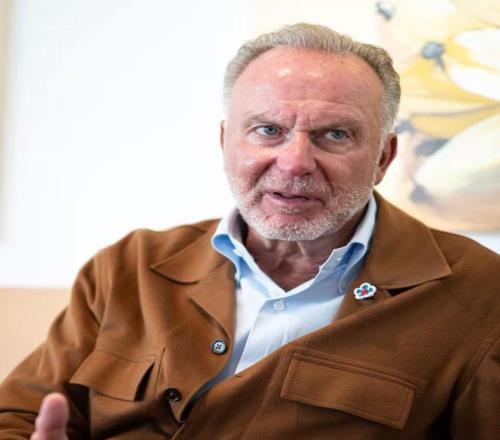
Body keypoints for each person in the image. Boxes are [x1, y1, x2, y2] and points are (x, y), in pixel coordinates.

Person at [1, 23, 499, 439]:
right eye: (268, 130)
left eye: (335, 134)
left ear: (384, 158)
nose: (295, 162)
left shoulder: (479, 294)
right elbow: (18, 416)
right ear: (226, 141)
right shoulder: (129, 266)